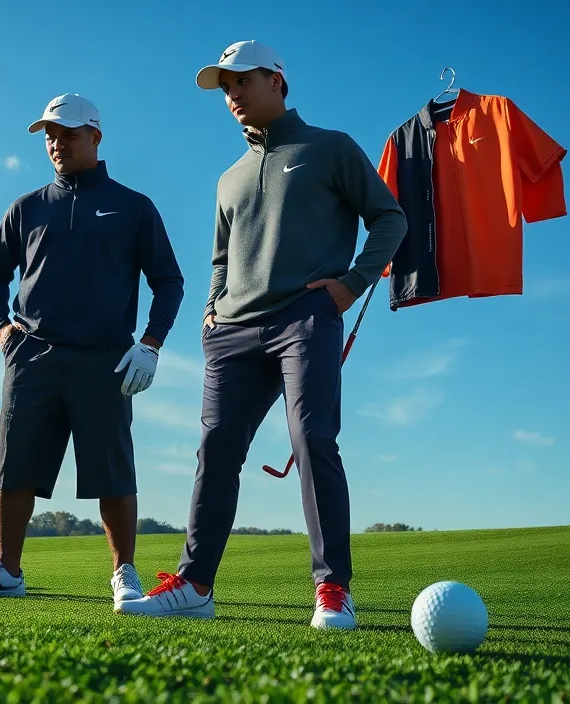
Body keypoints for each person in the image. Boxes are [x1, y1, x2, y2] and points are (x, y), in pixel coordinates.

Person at [118, 41, 407, 628]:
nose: (231, 95)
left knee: (312, 439)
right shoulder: (229, 178)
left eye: (241, 81)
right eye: (224, 88)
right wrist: (209, 309)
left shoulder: (330, 148)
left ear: (277, 80)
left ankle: (333, 589)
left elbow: (390, 218)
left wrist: (351, 285)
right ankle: (195, 583)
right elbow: (221, 259)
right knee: (216, 450)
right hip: (233, 333)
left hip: (306, 318)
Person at [0, 93, 184, 610]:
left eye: (68, 134)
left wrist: (151, 343)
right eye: (50, 136)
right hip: (32, 354)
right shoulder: (28, 207)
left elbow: (169, 281)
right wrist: (1, 329)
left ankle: (124, 573)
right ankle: (7, 571)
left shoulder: (133, 206)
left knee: (112, 469)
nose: (57, 144)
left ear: (96, 137)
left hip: (106, 357)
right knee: (15, 467)